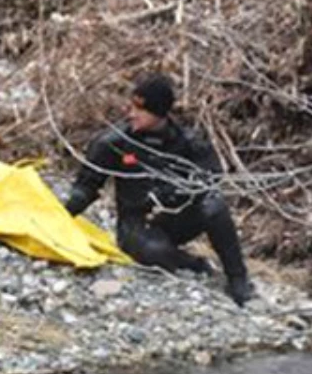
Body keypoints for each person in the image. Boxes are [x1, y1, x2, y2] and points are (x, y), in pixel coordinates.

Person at [62, 74, 254, 307]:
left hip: (175, 216)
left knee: (215, 205)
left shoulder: (188, 142)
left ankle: (237, 277)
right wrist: (61, 215)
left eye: (140, 110)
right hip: (136, 223)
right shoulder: (114, 142)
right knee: (155, 252)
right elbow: (87, 187)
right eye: (131, 106)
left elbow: (210, 180)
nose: (131, 114)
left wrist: (177, 192)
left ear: (160, 113)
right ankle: (190, 263)